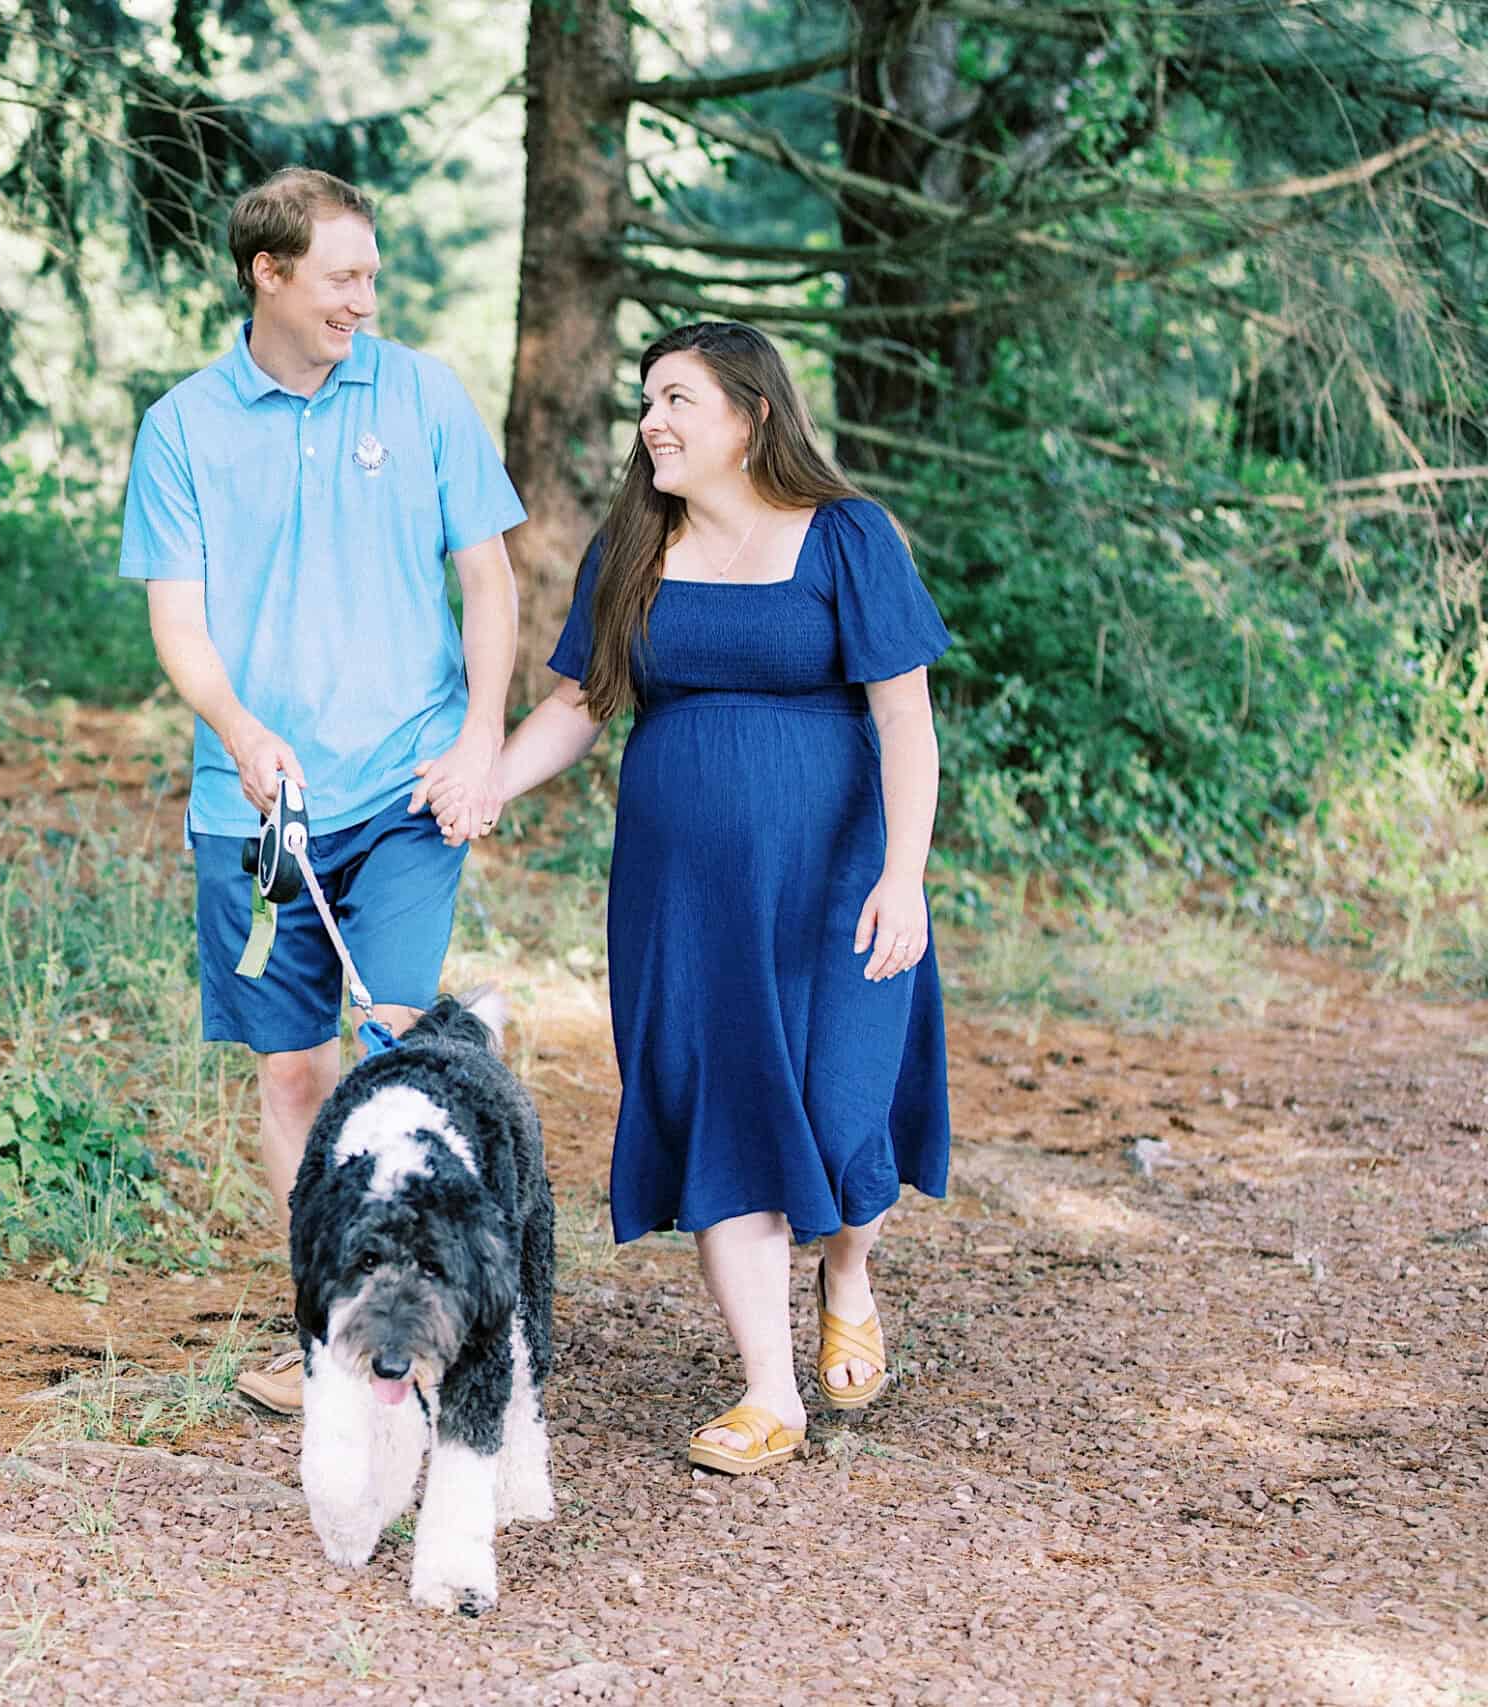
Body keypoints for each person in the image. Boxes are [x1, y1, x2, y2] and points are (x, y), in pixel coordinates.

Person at [433, 320, 951, 1473]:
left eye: (678, 400)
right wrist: (489, 781)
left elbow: (904, 720)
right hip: (683, 902)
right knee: (724, 1108)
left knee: (846, 1108)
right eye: (646, 402)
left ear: (750, 416)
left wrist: (903, 873)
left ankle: (850, 1266)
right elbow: (578, 703)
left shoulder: (848, 538)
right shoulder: (637, 544)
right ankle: (770, 1391)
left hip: (837, 884)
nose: (652, 422)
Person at [118, 166, 524, 1416]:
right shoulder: (182, 426)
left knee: (393, 1056)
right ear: (269, 273)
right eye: (343, 275)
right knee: (291, 1075)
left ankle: (419, 1319)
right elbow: (177, 627)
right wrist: (238, 729)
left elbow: (491, 583)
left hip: (405, 784)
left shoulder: (422, 393)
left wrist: (479, 740)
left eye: (370, 274)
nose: (366, 297)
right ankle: (329, 1335)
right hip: (257, 813)